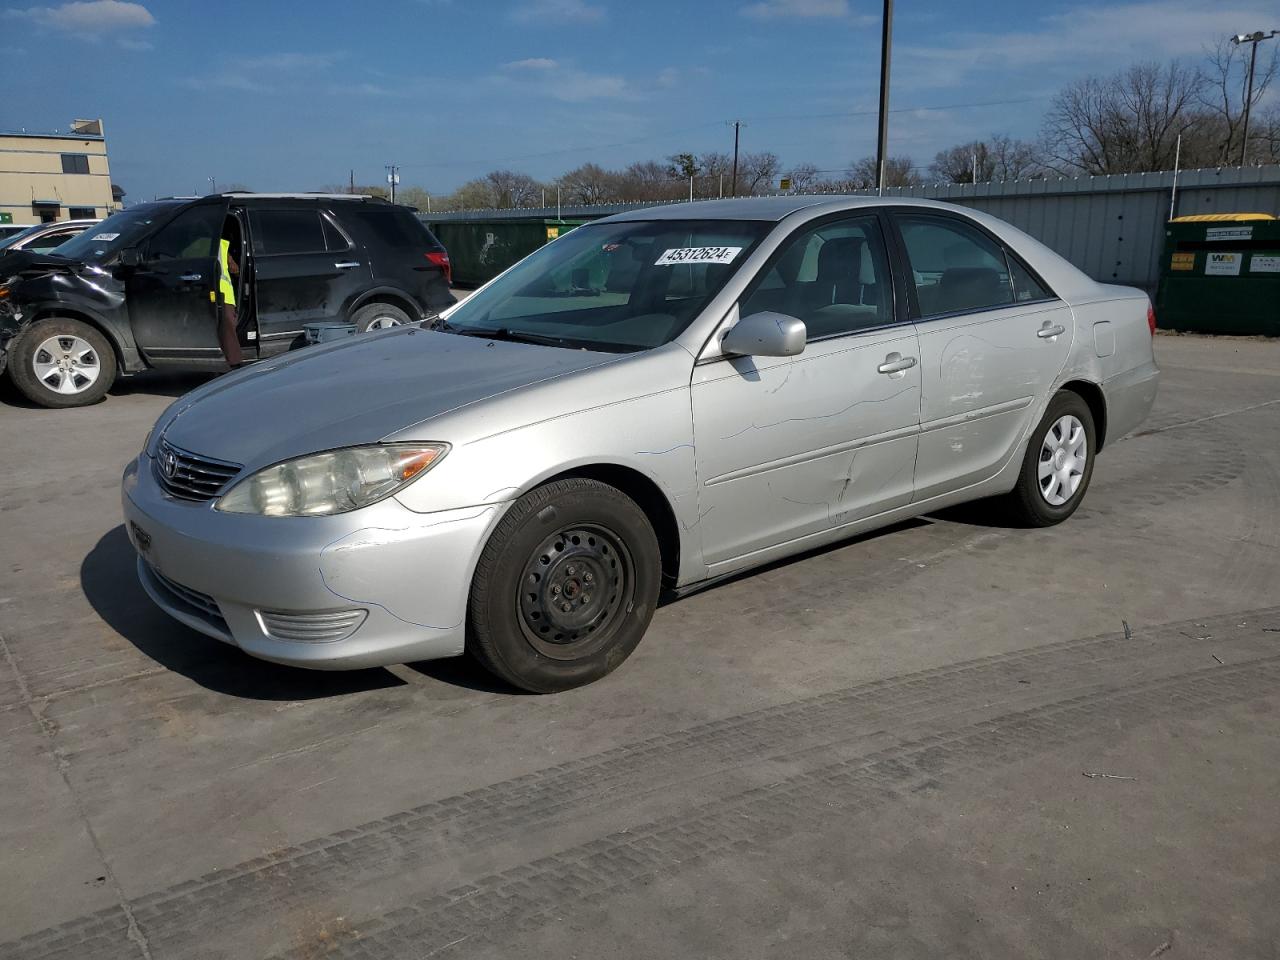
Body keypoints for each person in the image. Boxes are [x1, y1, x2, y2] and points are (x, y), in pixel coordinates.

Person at [216, 229, 242, 368]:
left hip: (213, 293)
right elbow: (235, 270)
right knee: (228, 328)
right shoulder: (222, 245)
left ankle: (233, 362)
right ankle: (234, 362)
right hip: (224, 295)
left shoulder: (199, 245)